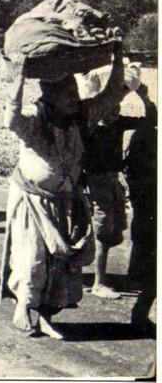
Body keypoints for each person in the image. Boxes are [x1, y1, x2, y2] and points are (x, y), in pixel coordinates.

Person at [0, 45, 125, 340]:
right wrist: (17, 77)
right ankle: (24, 309)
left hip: (66, 203)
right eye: (67, 93)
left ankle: (44, 317)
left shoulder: (80, 116)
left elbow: (111, 96)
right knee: (32, 260)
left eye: (75, 92)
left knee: (59, 267)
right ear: (50, 95)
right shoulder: (34, 120)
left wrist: (118, 60)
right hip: (33, 202)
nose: (75, 98)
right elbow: (10, 118)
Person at [80, 77, 141, 300]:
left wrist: (140, 92)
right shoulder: (90, 128)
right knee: (103, 233)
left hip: (112, 182)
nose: (115, 111)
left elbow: (150, 118)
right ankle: (98, 283)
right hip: (96, 184)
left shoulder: (118, 122)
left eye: (117, 107)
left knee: (113, 233)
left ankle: (82, 273)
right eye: (110, 107)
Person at [124, 83, 157, 331]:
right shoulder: (147, 136)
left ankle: (140, 312)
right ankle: (139, 313)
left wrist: (144, 96)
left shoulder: (147, 133)